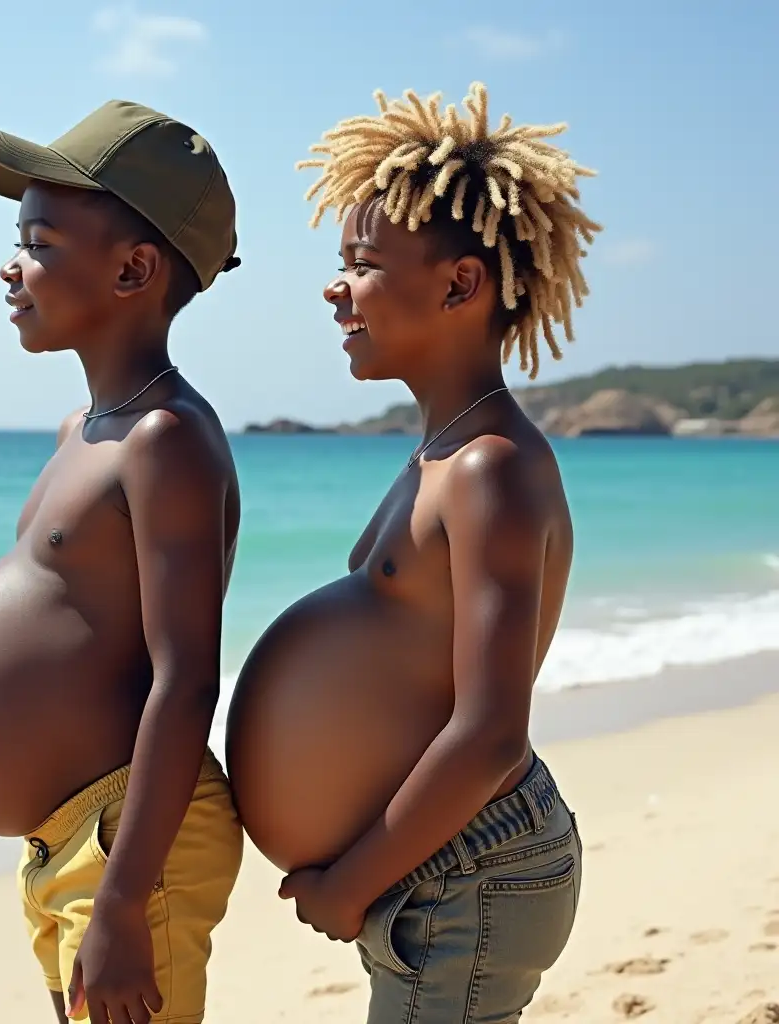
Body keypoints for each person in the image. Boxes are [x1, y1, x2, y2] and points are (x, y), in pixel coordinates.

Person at [226, 82, 601, 1023]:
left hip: (464, 868)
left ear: (460, 284)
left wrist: (352, 880)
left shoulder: (491, 471)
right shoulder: (443, 453)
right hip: (440, 867)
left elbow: (489, 734)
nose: (334, 286)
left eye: (361, 262)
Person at [0, 99, 244, 1024]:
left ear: (134, 268)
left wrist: (129, 899)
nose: (12, 266)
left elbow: (185, 682)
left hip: (135, 836)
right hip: (72, 832)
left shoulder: (165, 441)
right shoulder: (82, 431)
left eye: (40, 242)